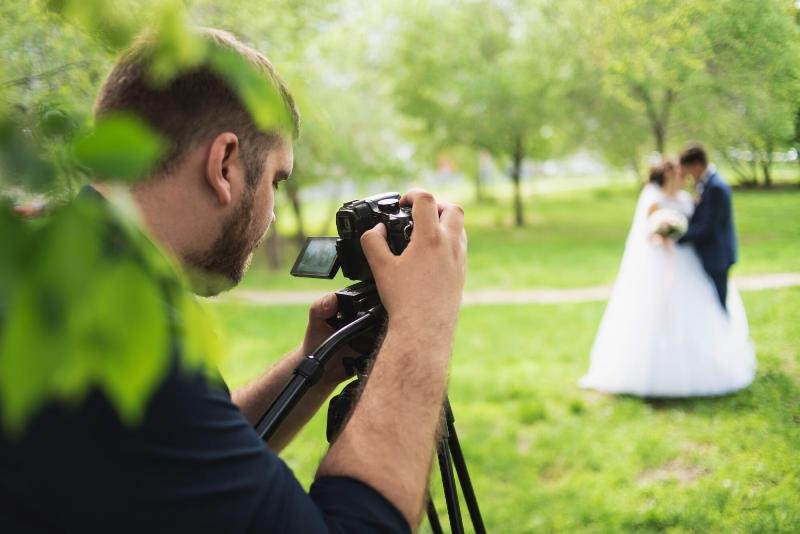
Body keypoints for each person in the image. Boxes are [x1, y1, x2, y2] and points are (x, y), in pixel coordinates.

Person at [0, 29, 467, 532]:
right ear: (224, 165)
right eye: (275, 180)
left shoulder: (62, 269)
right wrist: (422, 322)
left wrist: (318, 365)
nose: (271, 213)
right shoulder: (119, 331)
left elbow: (191, 462)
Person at [579, 158, 755, 397]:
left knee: (695, 307)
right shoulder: (653, 198)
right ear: (669, 175)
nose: (684, 177)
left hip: (689, 261)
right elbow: (647, 233)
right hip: (659, 263)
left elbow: (696, 224)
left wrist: (679, 234)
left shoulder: (685, 199)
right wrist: (663, 234)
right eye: (680, 174)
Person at [676, 144, 738, 311]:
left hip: (717, 256)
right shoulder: (707, 184)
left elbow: (708, 227)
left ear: (697, 165)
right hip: (711, 254)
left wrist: (677, 235)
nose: (689, 175)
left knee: (719, 305)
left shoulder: (716, 187)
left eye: (688, 170)